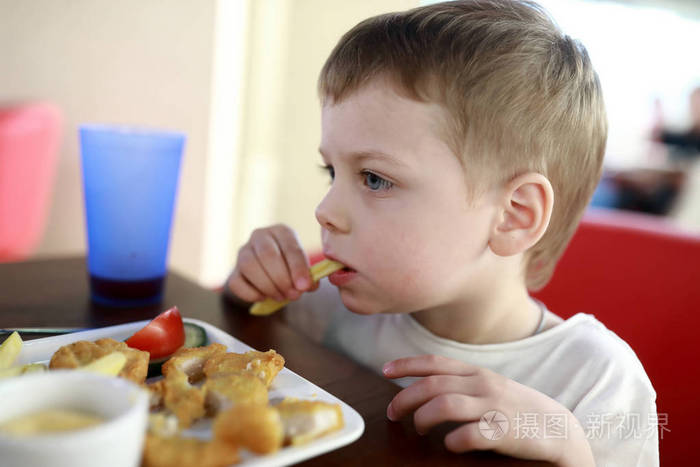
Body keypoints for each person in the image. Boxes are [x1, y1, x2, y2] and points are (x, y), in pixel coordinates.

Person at [225, 1, 658, 465]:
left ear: (514, 215)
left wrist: (574, 455)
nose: (325, 211)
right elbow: (235, 350)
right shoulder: (325, 310)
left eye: (375, 179)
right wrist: (247, 291)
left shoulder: (597, 383)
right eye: (332, 171)